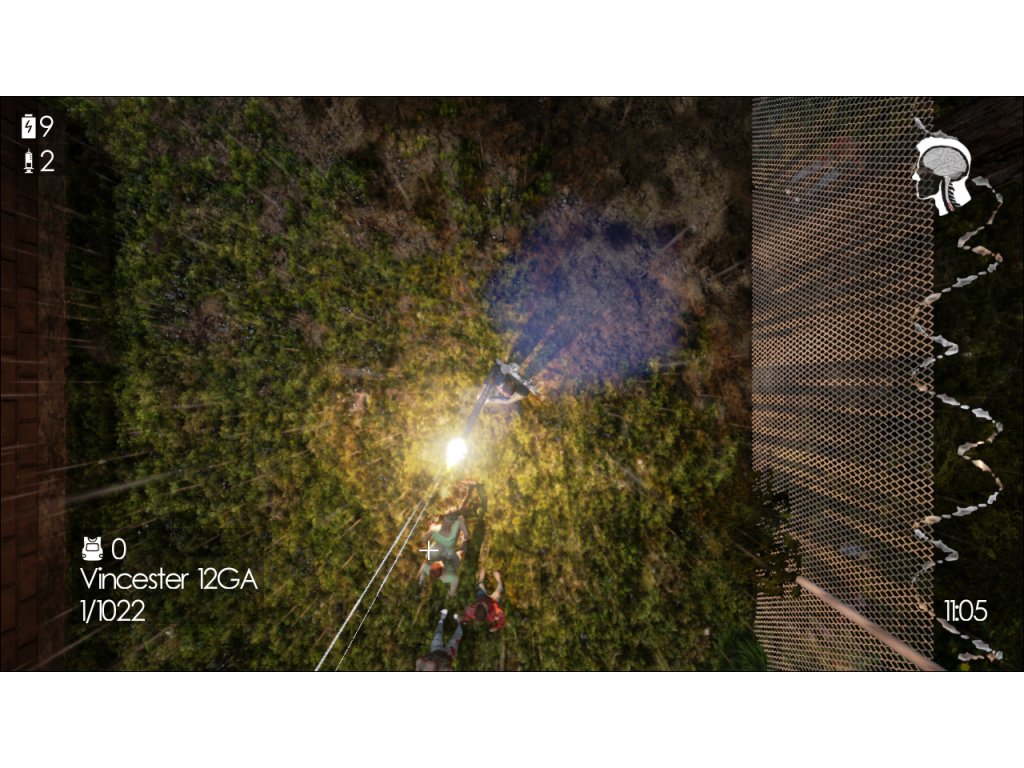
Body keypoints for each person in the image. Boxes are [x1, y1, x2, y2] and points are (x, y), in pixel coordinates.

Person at [460, 568, 505, 633]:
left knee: (479, 585)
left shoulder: (471, 610)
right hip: (493, 600)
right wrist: (496, 627)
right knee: (500, 589)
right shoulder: (496, 612)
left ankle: (481, 579)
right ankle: (499, 580)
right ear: (487, 613)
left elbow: (468, 616)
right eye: (484, 605)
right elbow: (501, 619)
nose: (484, 603)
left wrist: (463, 619)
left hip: (481, 597)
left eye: (482, 604)